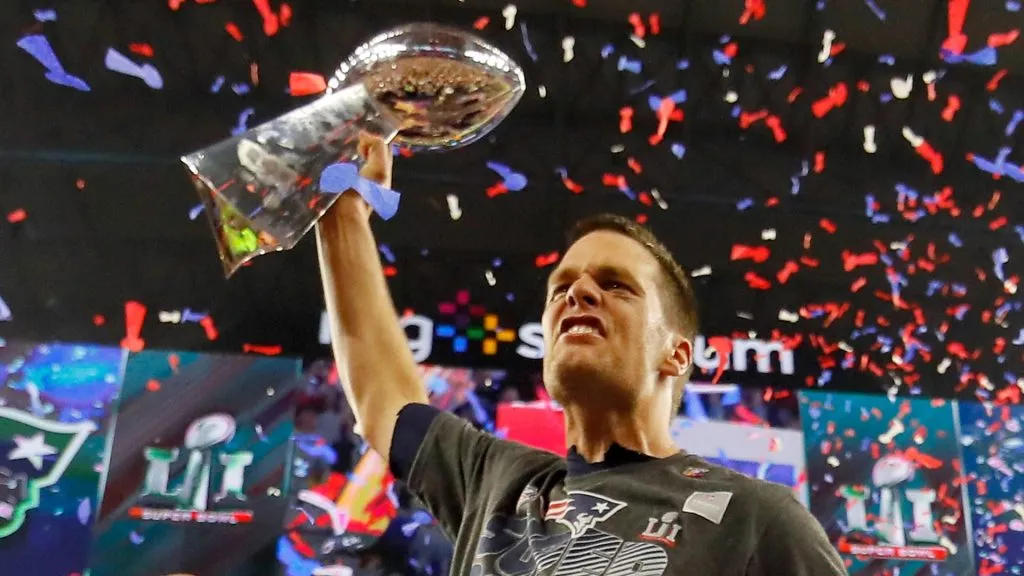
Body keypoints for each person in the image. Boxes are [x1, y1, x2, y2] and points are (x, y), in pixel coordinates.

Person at [316, 134, 849, 575]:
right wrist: (343, 212)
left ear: (677, 355)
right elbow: (382, 398)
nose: (578, 293)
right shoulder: (497, 481)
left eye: (616, 286)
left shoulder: (757, 519)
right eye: (561, 286)